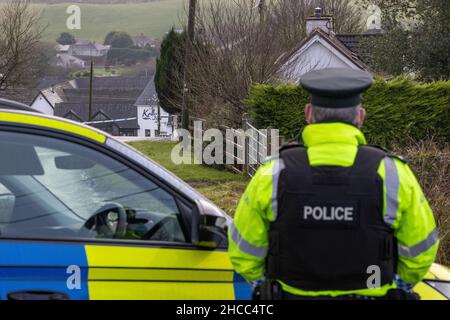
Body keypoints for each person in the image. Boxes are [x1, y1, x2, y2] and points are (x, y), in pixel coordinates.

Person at [228, 68, 439, 300]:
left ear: (308, 114)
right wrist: (396, 286)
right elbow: (422, 249)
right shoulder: (393, 173)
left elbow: (243, 251)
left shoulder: (273, 173)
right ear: (361, 116)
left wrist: (266, 287)